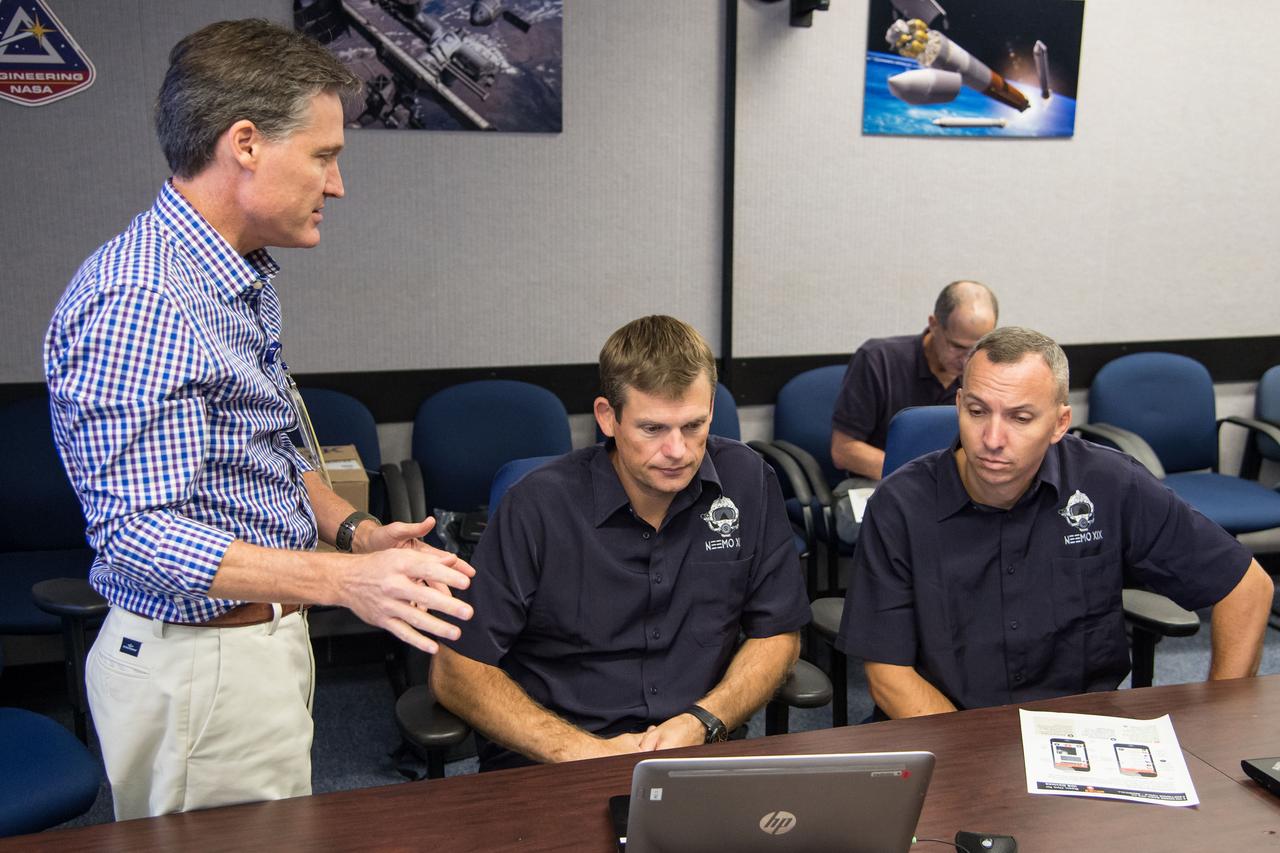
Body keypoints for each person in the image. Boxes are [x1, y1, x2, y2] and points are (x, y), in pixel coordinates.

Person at [44, 19, 474, 819]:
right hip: (199, 669)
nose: (336, 184)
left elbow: (263, 446)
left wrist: (352, 532)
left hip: (256, 639)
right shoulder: (144, 299)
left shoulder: (235, 276)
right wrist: (347, 581)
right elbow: (138, 531)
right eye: (324, 155)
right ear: (245, 143)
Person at [431, 316, 810, 770]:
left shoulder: (747, 481)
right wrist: (583, 752)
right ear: (607, 417)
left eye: (693, 426)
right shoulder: (538, 506)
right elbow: (455, 670)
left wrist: (705, 719)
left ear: (711, 407)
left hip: (698, 750)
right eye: (652, 429)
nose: (678, 451)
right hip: (557, 760)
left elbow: (778, 633)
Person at [836, 326, 1273, 719]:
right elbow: (889, 675)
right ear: (958, 404)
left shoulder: (1109, 484)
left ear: (1060, 423)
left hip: (1082, 736)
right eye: (976, 411)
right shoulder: (899, 505)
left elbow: (1247, 586)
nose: (991, 440)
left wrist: (1223, 718)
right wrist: (973, 761)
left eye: (1020, 418)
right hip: (944, 729)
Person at [831, 280, 998, 482]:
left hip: (949, 487)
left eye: (977, 348)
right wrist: (920, 480)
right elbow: (844, 450)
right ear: (934, 325)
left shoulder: (985, 374)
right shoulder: (878, 360)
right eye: (957, 347)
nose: (966, 361)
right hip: (878, 482)